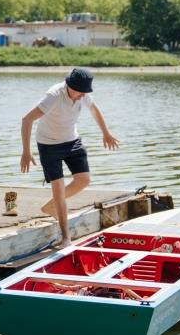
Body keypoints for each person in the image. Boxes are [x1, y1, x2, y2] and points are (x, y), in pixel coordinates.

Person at [20, 68, 120, 247]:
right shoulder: (53, 96)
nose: (83, 96)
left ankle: (52, 206)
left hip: (72, 141)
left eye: (85, 92)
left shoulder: (83, 94)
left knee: (83, 180)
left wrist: (106, 133)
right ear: (69, 86)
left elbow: (95, 110)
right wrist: (26, 152)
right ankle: (65, 237)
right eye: (81, 92)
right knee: (58, 189)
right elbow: (26, 119)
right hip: (49, 145)